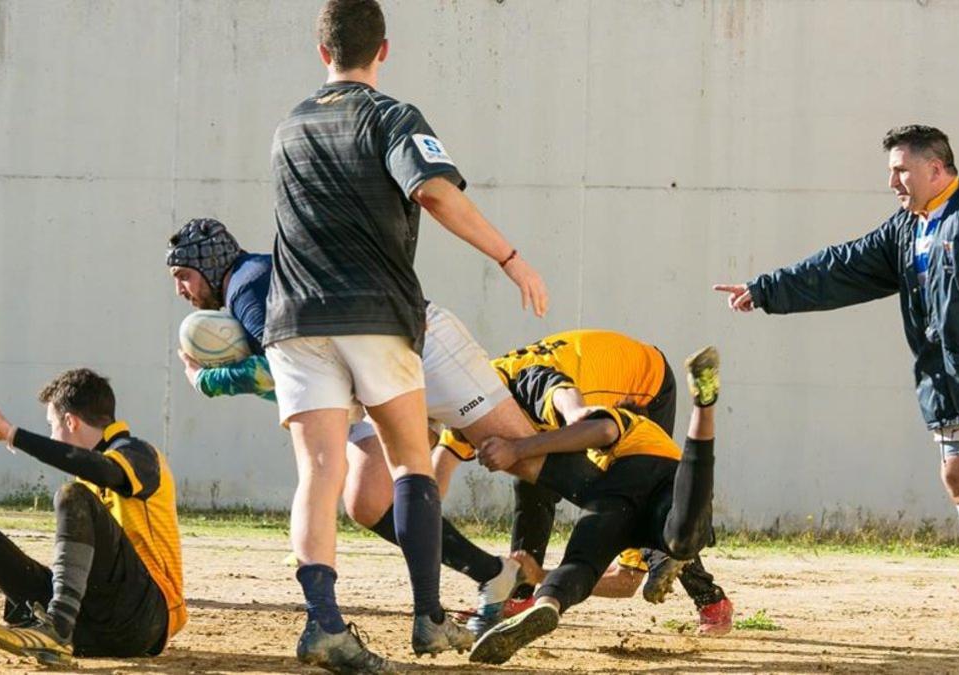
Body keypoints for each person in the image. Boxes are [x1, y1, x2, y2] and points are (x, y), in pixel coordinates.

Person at [713, 125, 959, 648]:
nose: (893, 180)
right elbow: (841, 266)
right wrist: (766, 290)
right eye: (892, 170)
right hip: (950, 380)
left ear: (936, 168)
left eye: (901, 169)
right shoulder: (906, 228)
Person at [265, 0, 549, 670]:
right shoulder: (391, 116)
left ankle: (325, 625)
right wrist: (512, 258)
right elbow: (435, 193)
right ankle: (427, 619)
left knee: (319, 473)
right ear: (383, 51)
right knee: (409, 463)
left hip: (296, 317)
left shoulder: (288, 128)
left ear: (321, 51)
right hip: (375, 313)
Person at [166, 218, 532, 642]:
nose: (180, 289)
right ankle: (494, 574)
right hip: (366, 379)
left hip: (400, 359)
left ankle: (586, 546)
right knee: (368, 501)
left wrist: (208, 380)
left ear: (211, 265)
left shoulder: (248, 285)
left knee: (528, 455)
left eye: (183, 276)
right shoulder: (248, 283)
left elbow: (274, 370)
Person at [441, 330, 732, 635]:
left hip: (647, 382)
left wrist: (526, 443)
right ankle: (526, 595)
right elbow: (439, 468)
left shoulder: (519, 382)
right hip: (607, 435)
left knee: (657, 509)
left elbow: (578, 412)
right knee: (546, 486)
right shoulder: (470, 402)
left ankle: (701, 592)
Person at [0, 369, 186, 666]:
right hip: (91, 623)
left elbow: (103, 470)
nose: (52, 435)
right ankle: (59, 625)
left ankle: (57, 628)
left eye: (52, 425)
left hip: (143, 620)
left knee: (72, 495)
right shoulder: (89, 475)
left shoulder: (139, 454)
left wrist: (14, 435)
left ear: (71, 421)